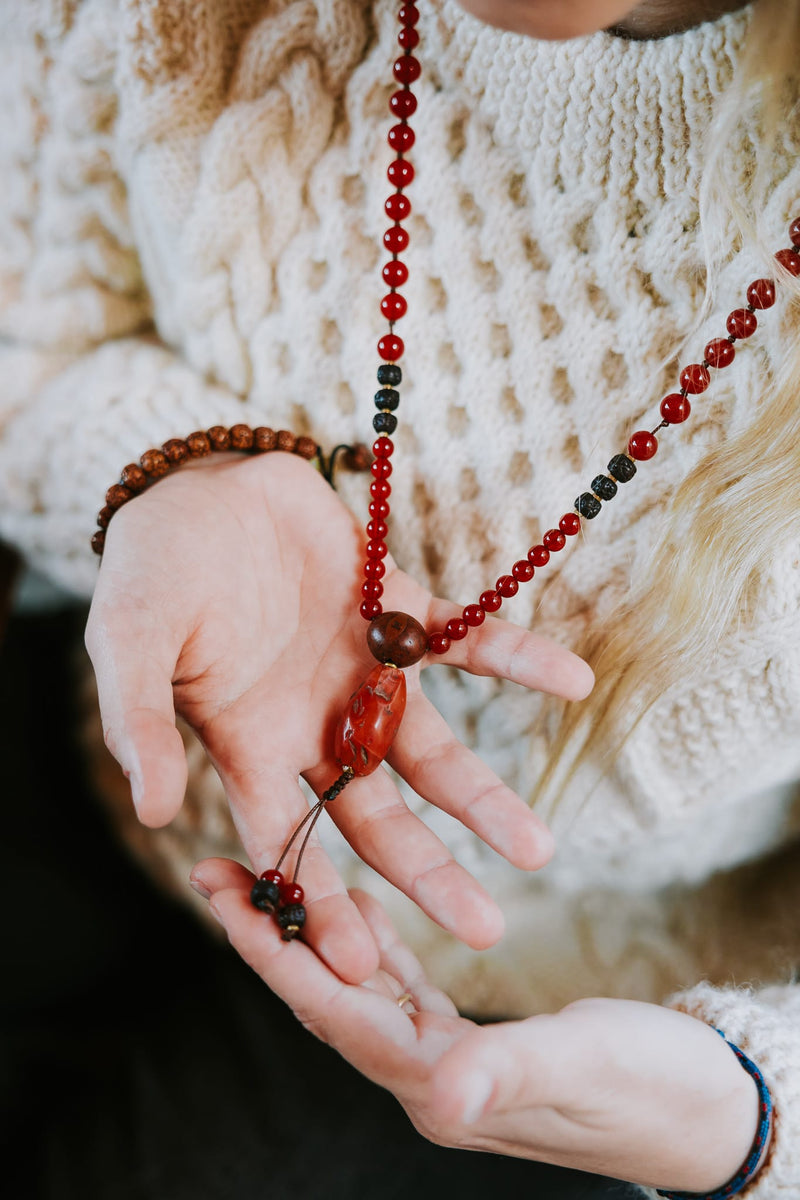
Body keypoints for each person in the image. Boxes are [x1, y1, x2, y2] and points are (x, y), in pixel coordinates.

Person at [1, 0, 799, 1195]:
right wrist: (170, 473)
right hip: (106, 765)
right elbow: (27, 340)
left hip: (539, 1029)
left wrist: (748, 1109)